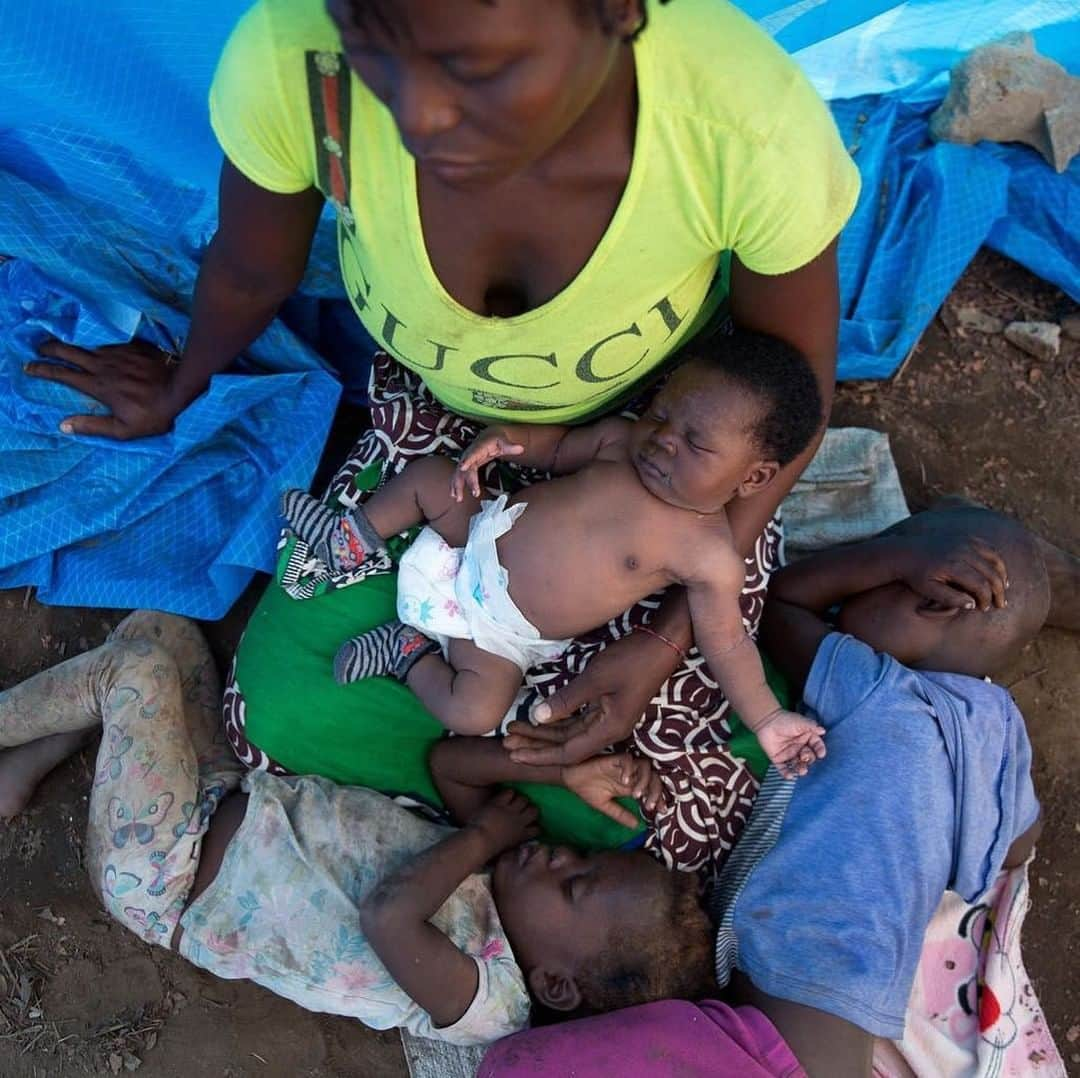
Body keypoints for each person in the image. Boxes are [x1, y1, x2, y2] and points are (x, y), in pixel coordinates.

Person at [25, 0, 861, 793]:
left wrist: (659, 640)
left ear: (618, 11)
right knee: (275, 712)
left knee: (671, 775)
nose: (416, 117)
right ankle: (431, 680)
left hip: (655, 413)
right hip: (453, 445)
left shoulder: (743, 131)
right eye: (374, 47)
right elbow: (250, 265)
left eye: (476, 66)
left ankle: (494, 759)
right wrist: (180, 381)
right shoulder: (300, 59)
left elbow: (792, 402)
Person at [0, 611, 714, 1045]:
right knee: (162, 632)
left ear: (556, 985)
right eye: (584, 856)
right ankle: (33, 758)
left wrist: (483, 840)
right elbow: (451, 764)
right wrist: (560, 771)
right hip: (222, 794)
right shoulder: (506, 868)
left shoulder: (489, 1001)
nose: (563, 857)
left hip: (164, 878)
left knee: (138, 669)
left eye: (577, 884)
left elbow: (389, 917)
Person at [282, 331, 825, 775]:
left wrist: (769, 718)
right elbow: (558, 447)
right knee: (433, 478)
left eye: (697, 444)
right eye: (661, 414)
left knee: (476, 711)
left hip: (498, 635)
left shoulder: (709, 557)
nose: (663, 440)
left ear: (753, 478)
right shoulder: (623, 441)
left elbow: (727, 643)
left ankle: (407, 655)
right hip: (470, 536)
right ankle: (346, 541)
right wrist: (503, 437)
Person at [710, 503, 1063, 1077]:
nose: (846, 596)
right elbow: (1019, 844)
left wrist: (891, 557)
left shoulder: (872, 683)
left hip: (797, 943)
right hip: (865, 974)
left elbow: (780, 601)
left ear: (929, 601)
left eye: (872, 582)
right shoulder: (998, 724)